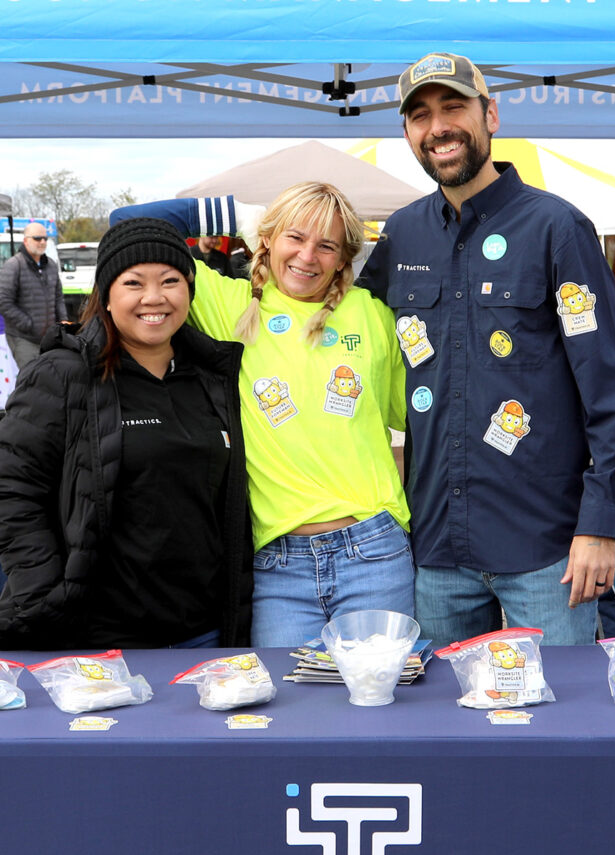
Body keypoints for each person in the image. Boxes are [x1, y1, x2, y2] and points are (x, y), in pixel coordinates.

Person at [358, 52, 615, 649]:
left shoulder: (557, 229)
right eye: (419, 115)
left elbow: (614, 391)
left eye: (453, 107)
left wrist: (599, 527)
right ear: (407, 134)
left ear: (490, 114)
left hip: (545, 553)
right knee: (440, 732)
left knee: (557, 729)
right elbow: (341, 331)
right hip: (435, 553)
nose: (437, 126)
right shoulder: (401, 235)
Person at [111, 183, 413, 647]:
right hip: (278, 566)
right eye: (295, 237)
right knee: (290, 713)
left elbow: (416, 419)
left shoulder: (371, 315)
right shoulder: (230, 304)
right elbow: (129, 225)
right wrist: (237, 213)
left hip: (374, 551)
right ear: (266, 240)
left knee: (376, 709)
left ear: (342, 258)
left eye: (326, 245)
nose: (307, 257)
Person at [0, 218, 252, 650]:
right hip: (98, 642)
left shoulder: (213, 375)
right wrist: (45, 592)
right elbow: (12, 488)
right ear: (107, 296)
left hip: (205, 635)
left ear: (189, 291)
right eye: (134, 282)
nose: (154, 297)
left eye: (171, 280)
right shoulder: (64, 373)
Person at [0, 222, 67, 369]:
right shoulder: (14, 265)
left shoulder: (50, 265)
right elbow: (3, 301)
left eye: (45, 238)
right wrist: (27, 324)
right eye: (37, 238)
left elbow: (58, 298)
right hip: (23, 338)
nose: (42, 242)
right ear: (26, 240)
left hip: (48, 338)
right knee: (31, 381)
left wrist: (63, 322)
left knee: (49, 378)